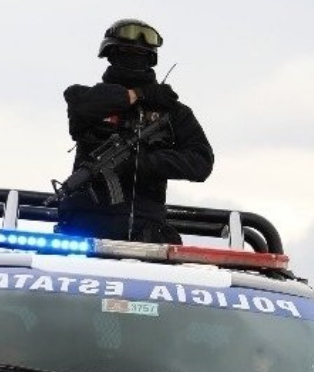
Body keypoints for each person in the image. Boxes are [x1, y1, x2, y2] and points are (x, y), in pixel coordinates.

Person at [56, 19, 214, 244]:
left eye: (140, 54)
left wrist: (144, 162)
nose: (133, 58)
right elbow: (81, 108)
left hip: (145, 229)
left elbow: (201, 162)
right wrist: (140, 94)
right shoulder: (84, 97)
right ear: (111, 54)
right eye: (127, 52)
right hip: (84, 224)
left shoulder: (173, 112)